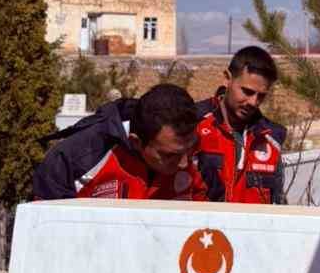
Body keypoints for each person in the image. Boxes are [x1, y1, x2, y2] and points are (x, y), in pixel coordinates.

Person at [33, 82, 217, 202]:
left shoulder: (200, 156)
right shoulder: (76, 158)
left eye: (191, 147)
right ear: (136, 142)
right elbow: (48, 232)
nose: (185, 163)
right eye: (170, 155)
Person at [195, 45, 287, 204]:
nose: (253, 102)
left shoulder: (271, 139)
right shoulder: (193, 124)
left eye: (261, 96)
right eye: (247, 91)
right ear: (227, 79)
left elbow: (278, 204)